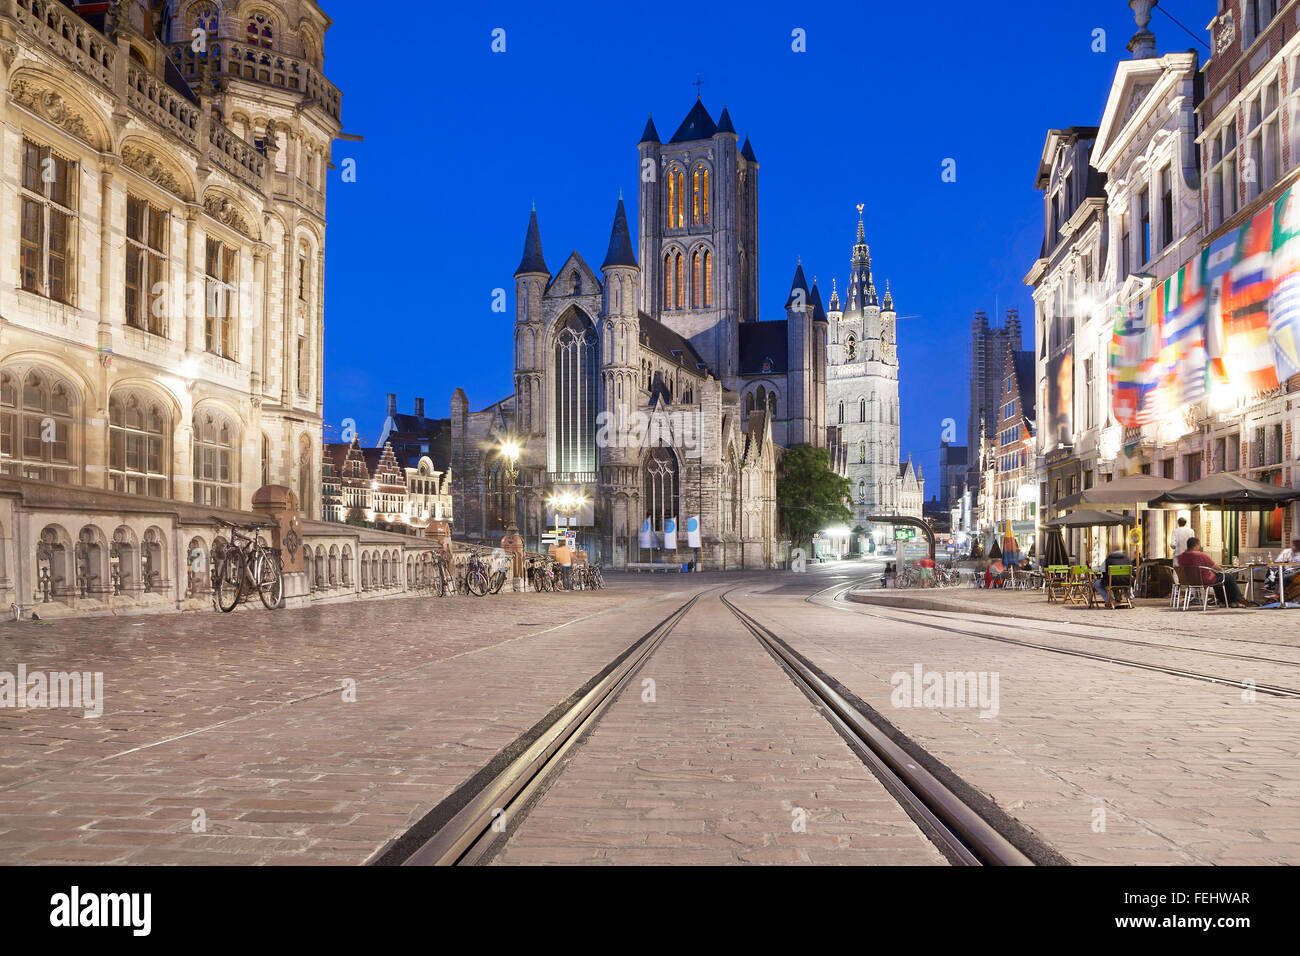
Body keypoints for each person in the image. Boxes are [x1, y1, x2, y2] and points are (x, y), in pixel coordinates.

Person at [1177, 537, 1251, 608]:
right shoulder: (1201, 555)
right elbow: (1215, 567)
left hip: (1188, 580)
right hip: (1204, 579)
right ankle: (1237, 600)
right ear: (1196, 545)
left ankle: (1223, 601)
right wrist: (1222, 570)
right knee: (1228, 577)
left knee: (1219, 577)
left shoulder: (1181, 556)